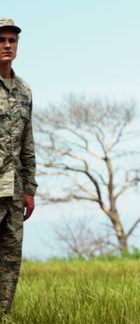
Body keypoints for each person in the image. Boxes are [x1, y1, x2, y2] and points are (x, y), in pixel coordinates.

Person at [0, 18, 37, 315]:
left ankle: (4, 314)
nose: (7, 45)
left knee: (11, 258)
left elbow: (27, 143)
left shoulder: (25, 90)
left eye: (11, 40)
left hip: (13, 190)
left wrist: (30, 189)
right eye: (1, 40)